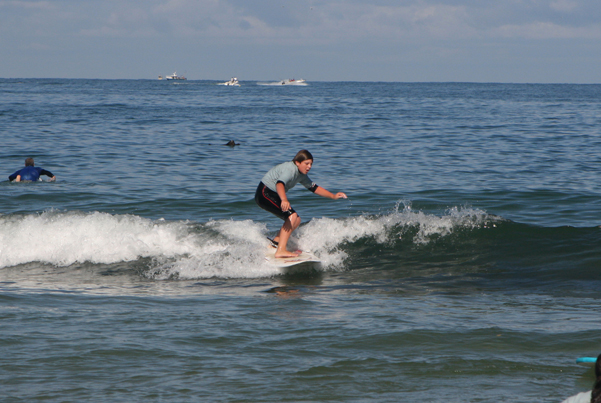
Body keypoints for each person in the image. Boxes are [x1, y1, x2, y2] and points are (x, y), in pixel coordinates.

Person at [255, 149, 347, 258]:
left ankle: (275, 244)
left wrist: (333, 196)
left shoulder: (301, 175)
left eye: (311, 164)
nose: (309, 167)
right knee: (291, 216)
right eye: (306, 164)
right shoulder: (290, 169)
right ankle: (281, 251)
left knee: (296, 220)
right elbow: (279, 184)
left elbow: (314, 188)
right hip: (265, 193)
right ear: (297, 162)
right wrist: (284, 199)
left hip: (273, 194)